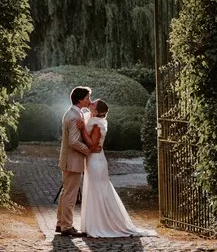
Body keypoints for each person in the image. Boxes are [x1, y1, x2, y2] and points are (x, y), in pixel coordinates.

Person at [78, 99, 157, 238]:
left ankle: (100, 225)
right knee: (93, 190)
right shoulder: (92, 119)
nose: (90, 103)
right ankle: (93, 223)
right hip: (93, 159)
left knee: (97, 190)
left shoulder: (97, 124)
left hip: (96, 161)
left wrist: (82, 129)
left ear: (96, 111)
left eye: (93, 104)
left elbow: (91, 145)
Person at [56, 86, 93, 237]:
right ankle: (67, 226)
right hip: (72, 161)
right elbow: (73, 142)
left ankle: (60, 223)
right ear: (80, 99)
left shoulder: (73, 112)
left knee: (66, 193)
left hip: (68, 160)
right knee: (70, 195)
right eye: (87, 98)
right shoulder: (75, 117)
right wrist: (89, 151)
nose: (89, 101)